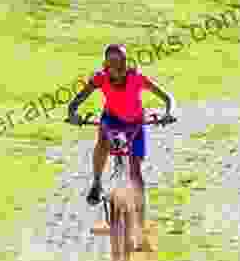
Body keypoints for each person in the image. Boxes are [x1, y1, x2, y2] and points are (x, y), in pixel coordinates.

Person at [66, 44, 176, 207]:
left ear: (126, 63)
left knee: (136, 168)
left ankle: (138, 209)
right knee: (103, 142)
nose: (118, 68)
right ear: (106, 66)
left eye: (121, 63)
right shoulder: (100, 79)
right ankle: (97, 182)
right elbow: (76, 101)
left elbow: (167, 98)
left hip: (136, 122)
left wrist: (169, 113)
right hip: (112, 118)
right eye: (113, 63)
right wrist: (72, 114)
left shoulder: (136, 78)